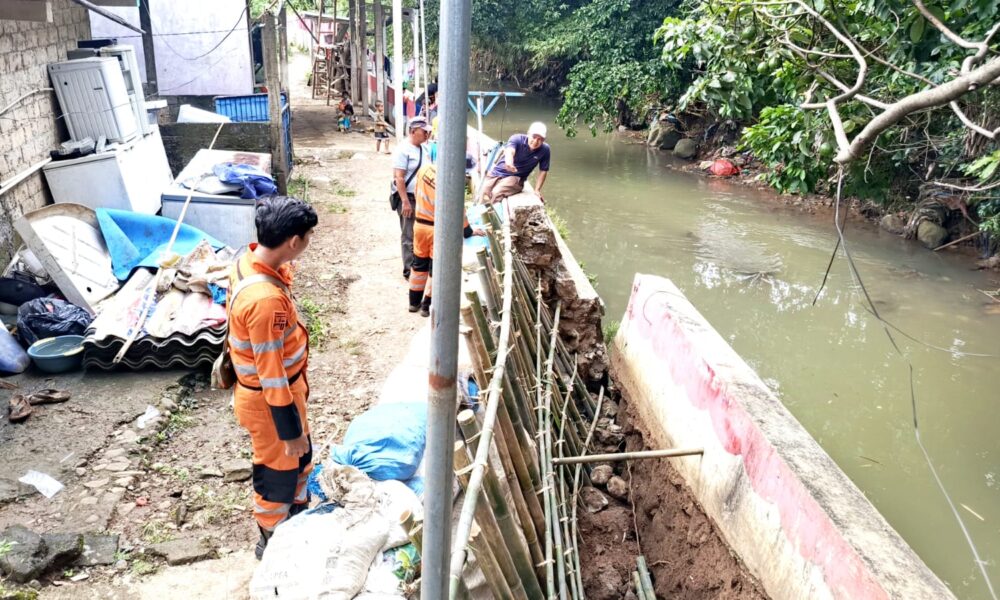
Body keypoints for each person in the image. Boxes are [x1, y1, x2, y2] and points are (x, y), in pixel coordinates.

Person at [227, 196, 318, 560]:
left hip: (282, 394)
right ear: (294, 241)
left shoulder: (248, 262)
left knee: (300, 460)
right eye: (308, 236)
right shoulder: (265, 301)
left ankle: (296, 519)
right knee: (278, 473)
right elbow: (272, 375)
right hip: (271, 403)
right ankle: (273, 542)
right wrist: (289, 430)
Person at [409, 161, 485, 316]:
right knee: (435, 268)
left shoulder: (424, 170)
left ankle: (413, 302)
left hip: (419, 226)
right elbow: (459, 211)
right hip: (437, 230)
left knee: (418, 264)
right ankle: (426, 306)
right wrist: (468, 231)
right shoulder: (450, 181)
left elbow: (416, 193)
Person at [392, 116, 432, 280]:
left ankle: (421, 267)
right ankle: (409, 270)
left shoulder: (424, 149)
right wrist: (405, 202)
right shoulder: (403, 150)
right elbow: (399, 177)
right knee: (409, 234)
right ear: (413, 131)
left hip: (422, 198)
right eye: (425, 131)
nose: (427, 135)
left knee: (421, 232)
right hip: (408, 198)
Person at [481, 121, 551, 204]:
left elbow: (543, 171)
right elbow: (510, 151)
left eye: (540, 139)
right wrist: (509, 163)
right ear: (528, 134)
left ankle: (492, 212)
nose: (536, 141)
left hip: (515, 177)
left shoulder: (545, 150)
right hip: (497, 173)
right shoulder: (517, 139)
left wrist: (537, 190)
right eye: (534, 137)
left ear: (543, 140)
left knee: (496, 192)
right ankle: (481, 211)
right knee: (484, 191)